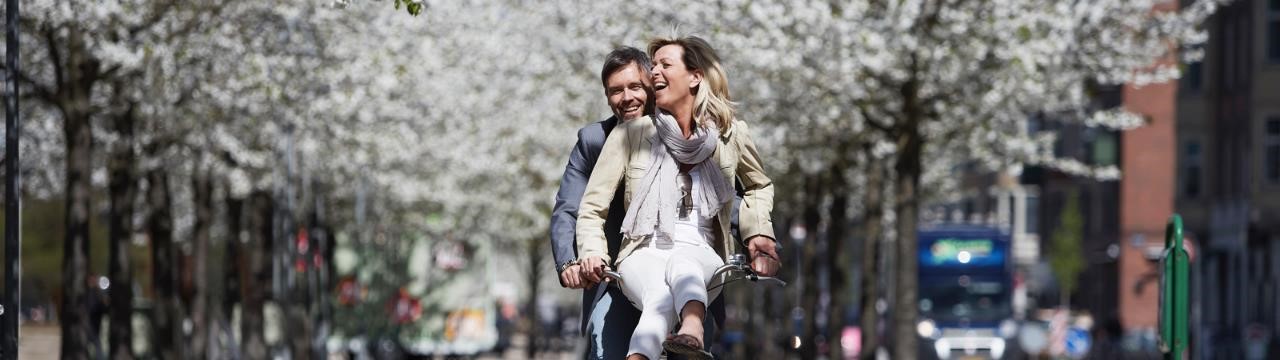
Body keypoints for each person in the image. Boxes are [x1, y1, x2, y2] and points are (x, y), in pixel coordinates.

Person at [577, 35, 780, 360]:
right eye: (653, 64)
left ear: (695, 76)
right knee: (659, 289)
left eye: (664, 65)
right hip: (642, 254)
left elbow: (758, 186)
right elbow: (591, 208)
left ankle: (656, 347)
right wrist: (593, 255)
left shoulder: (731, 135)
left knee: (682, 269)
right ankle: (692, 329)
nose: (653, 71)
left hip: (703, 253)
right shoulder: (631, 134)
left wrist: (758, 235)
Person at [548, 46, 652, 359]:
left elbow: (725, 193)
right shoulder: (594, 141)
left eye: (635, 87)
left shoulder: (686, 135)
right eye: (615, 91)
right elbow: (569, 207)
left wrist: (756, 236)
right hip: (614, 278)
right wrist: (569, 261)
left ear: (652, 84)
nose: (627, 98)